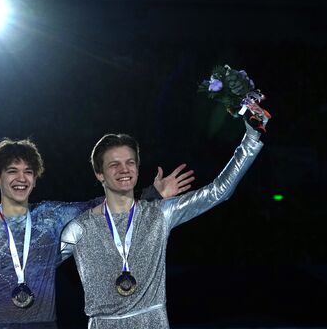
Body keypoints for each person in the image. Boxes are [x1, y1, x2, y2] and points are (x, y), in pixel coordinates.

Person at [0, 138, 194, 328]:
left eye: (28, 172)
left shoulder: (51, 216)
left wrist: (154, 194)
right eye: (12, 171)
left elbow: (103, 207)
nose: (21, 178)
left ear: (36, 177)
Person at [60, 121, 264, 328]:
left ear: (138, 169)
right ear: (99, 173)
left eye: (130, 163)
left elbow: (218, 191)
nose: (124, 170)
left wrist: (250, 139)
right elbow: (38, 266)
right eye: (114, 164)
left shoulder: (160, 213)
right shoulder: (79, 229)